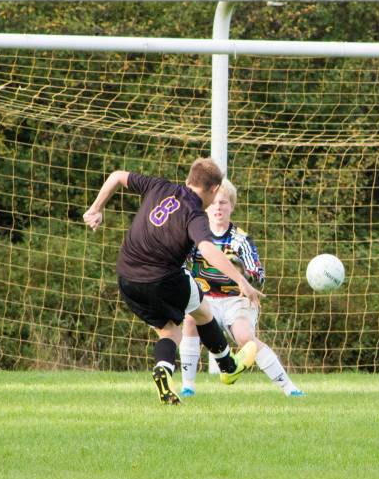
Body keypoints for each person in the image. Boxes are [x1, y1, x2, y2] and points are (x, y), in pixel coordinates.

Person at [84, 158, 262, 405]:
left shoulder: (159, 186)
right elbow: (209, 251)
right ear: (212, 189)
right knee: (202, 310)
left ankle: (164, 370)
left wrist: (96, 209)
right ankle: (228, 366)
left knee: (169, 330)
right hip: (162, 278)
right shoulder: (195, 215)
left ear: (189, 179)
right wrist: (241, 279)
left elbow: (115, 175)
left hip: (126, 276)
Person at [179, 179, 304, 398]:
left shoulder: (241, 240)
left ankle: (289, 388)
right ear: (206, 205)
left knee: (246, 339)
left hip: (236, 301)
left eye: (224, 203)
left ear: (232, 207)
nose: (218, 207)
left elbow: (258, 276)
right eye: (215, 203)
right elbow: (180, 263)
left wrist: (244, 276)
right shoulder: (195, 235)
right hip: (205, 299)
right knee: (190, 319)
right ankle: (187, 386)